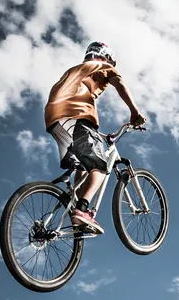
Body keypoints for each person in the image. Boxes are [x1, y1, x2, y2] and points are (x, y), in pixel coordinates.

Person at [44, 41, 145, 234]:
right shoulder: (104, 66)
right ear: (108, 58)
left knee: (83, 163)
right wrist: (134, 112)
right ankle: (82, 211)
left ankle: (75, 207)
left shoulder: (76, 70)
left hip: (53, 119)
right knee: (101, 165)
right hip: (77, 115)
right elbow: (120, 84)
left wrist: (98, 134)